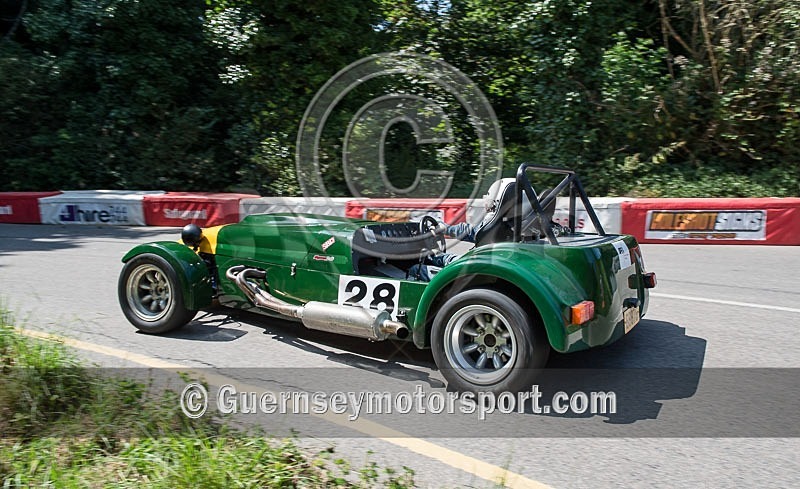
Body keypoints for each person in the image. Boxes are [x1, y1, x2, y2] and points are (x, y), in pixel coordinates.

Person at [406, 180, 569, 282]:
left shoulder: (499, 226)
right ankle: (437, 256)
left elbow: (472, 232)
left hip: (474, 268)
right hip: (495, 263)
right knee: (439, 257)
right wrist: (446, 229)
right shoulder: (524, 226)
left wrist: (444, 234)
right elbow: (473, 232)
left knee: (416, 268)